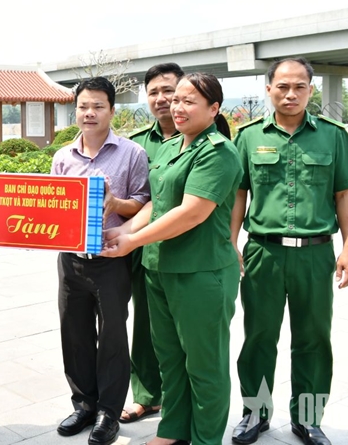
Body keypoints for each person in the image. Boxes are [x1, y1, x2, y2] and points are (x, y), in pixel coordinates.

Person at [229, 57, 348, 445]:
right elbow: (238, 194)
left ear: (310, 89)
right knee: (258, 338)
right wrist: (231, 242)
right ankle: (254, 413)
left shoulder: (332, 135)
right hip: (264, 253)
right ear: (268, 89)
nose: (290, 94)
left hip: (315, 254)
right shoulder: (248, 137)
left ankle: (308, 419)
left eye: (299, 87)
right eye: (282, 87)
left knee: (313, 339)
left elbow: (345, 194)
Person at [101, 73, 241, 445]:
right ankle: (174, 430)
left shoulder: (219, 152)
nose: (176, 107)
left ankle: (206, 438)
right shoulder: (172, 146)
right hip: (159, 269)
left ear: (214, 109)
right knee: (171, 358)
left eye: (188, 101)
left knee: (204, 363)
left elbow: (191, 212)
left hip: (201, 272)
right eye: (176, 100)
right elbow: (158, 204)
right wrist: (124, 231)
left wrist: (133, 241)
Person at [50, 77, 150, 445]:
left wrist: (115, 204)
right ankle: (83, 405)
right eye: (83, 106)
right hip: (70, 260)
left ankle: (109, 412)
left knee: (112, 337)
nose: (89, 113)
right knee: (74, 334)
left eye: (98, 106)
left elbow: (143, 202)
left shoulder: (132, 153)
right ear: (75, 111)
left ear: (112, 110)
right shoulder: (62, 157)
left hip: (111, 258)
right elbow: (52, 204)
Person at [122, 63, 184, 424]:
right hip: (144, 250)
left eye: (169, 91)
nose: (162, 99)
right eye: (154, 92)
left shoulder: (204, 139)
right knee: (145, 326)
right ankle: (147, 395)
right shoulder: (136, 144)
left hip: (189, 250)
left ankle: (185, 401)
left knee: (187, 332)